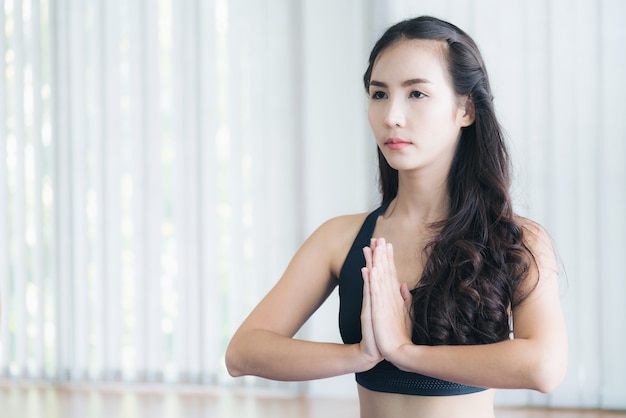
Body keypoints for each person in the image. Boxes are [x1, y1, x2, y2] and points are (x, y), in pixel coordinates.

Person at [225, 15, 567, 418]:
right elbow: (243, 352)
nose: (391, 116)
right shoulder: (341, 238)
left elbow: (544, 367)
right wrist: (361, 354)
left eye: (417, 94)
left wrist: (406, 353)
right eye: (379, 94)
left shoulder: (515, 240)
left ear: (466, 109)